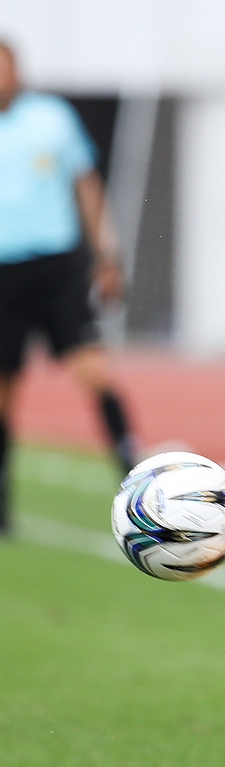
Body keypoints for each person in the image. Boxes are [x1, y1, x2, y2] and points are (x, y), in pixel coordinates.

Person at [0, 41, 135, 534]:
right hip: (3, 272)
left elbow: (86, 184)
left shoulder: (52, 117)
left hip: (56, 267)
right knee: (4, 388)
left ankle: (134, 479)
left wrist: (105, 255)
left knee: (94, 370)